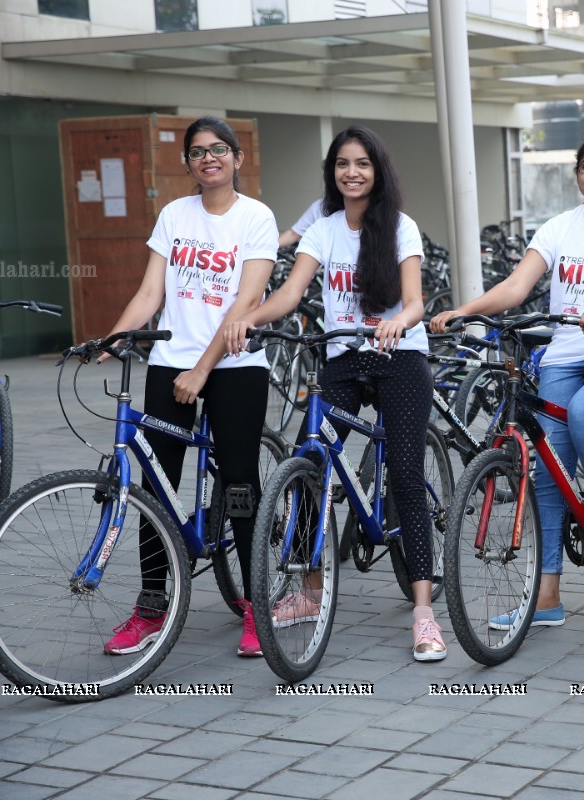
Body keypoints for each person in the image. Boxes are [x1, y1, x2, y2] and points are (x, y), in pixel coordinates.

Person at [224, 125, 445, 662]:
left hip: (400, 356)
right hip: (343, 358)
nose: (352, 172)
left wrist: (397, 325)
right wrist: (249, 320)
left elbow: (414, 301)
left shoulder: (401, 228)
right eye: (343, 164)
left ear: (378, 171)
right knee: (309, 461)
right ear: (333, 172)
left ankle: (424, 612)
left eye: (362, 164)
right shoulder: (322, 230)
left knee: (408, 476)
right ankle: (307, 590)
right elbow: (291, 293)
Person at [430, 131, 584, 628]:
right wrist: (464, 311)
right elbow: (517, 287)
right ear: (577, 173)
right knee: (548, 470)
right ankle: (547, 600)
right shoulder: (559, 228)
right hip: (568, 351)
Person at [101, 116, 277, 658]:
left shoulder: (256, 217)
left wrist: (202, 370)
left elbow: (245, 305)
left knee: (242, 486)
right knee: (154, 488)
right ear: (188, 163)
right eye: (198, 152)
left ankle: (255, 607)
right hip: (170, 361)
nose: (209, 158)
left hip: (235, 366)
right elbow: (150, 291)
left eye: (219, 149)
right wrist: (109, 339)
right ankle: (152, 606)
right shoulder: (174, 215)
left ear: (237, 158)